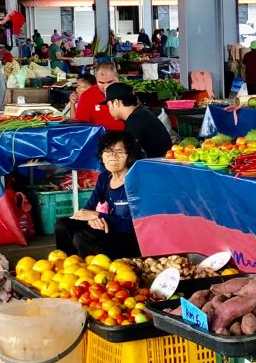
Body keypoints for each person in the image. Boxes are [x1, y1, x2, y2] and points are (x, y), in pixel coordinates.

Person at [53, 131, 142, 259]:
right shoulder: (105, 177)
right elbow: (87, 210)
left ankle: (96, 272)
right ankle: (68, 266)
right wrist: (93, 219)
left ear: (130, 156)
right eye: (108, 152)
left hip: (128, 239)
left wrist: (99, 216)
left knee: (82, 237)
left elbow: (136, 226)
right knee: (63, 225)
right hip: (105, 229)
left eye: (120, 152)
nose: (113, 157)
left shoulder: (136, 183)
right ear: (102, 156)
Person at [105, 83, 172, 158]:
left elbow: (126, 155)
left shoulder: (135, 121)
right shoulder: (141, 113)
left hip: (157, 167)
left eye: (109, 105)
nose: (109, 109)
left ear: (116, 103)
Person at [74, 64, 124, 130]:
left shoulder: (127, 92)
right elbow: (81, 126)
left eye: (110, 82)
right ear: (96, 80)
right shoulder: (86, 96)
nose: (106, 87)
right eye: (101, 83)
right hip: (100, 138)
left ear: (117, 77)